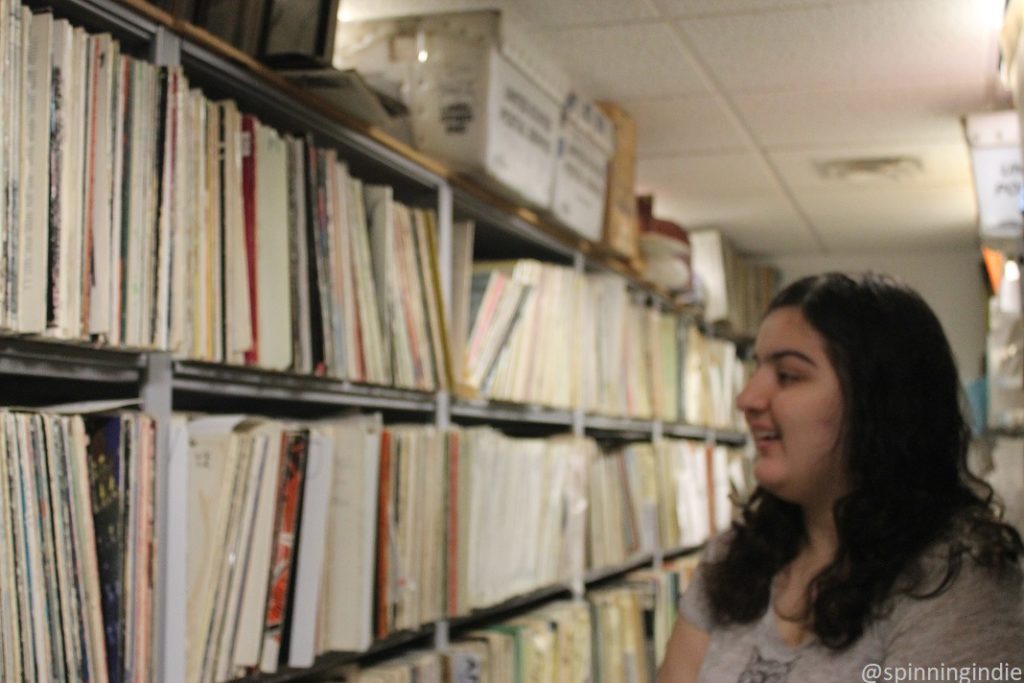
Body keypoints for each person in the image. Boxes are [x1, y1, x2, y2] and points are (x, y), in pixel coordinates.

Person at [657, 272, 1024, 683]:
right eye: (757, 367)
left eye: (789, 375)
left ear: (878, 403)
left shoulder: (958, 585)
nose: (747, 399)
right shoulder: (733, 558)